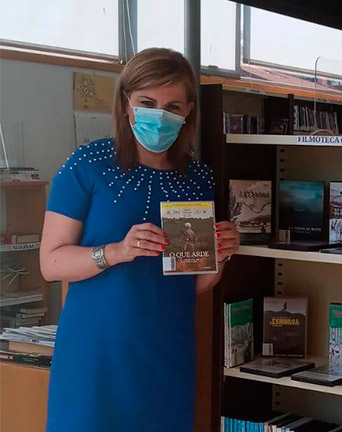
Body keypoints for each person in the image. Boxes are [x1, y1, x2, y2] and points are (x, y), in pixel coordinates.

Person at [39, 48, 240, 432]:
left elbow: (191, 283)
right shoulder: (88, 165)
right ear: (126, 104)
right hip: (96, 357)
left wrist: (222, 254)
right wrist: (116, 252)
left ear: (188, 111)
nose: (159, 115)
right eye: (147, 103)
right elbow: (50, 263)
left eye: (172, 107)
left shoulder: (198, 178)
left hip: (167, 353)